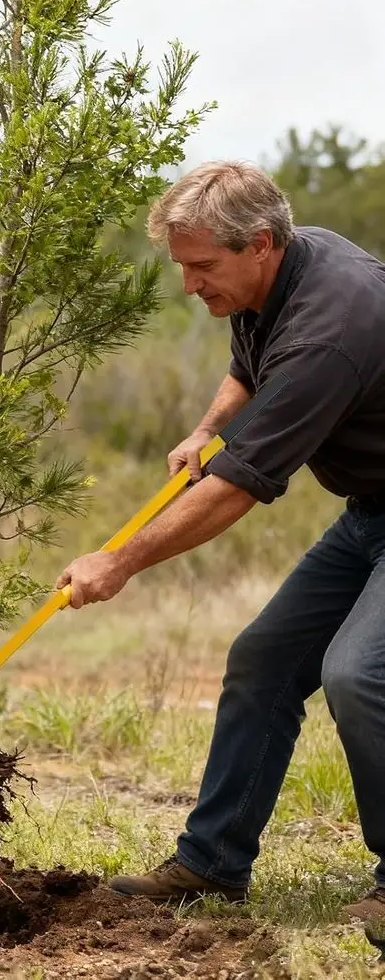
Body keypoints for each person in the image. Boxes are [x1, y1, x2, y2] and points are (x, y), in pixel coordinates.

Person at [54, 159, 385, 929]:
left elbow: (238, 488)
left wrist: (121, 559)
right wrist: (207, 427)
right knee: (263, 662)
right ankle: (211, 864)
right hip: (369, 510)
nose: (190, 283)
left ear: (260, 243)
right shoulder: (281, 273)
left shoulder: (333, 329)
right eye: (182, 264)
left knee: (359, 675)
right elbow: (248, 366)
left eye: (203, 267)